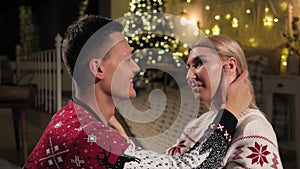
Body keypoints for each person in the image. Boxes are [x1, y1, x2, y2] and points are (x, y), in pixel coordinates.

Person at [23, 15, 252, 168]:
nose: (136, 67)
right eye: (127, 59)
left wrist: (121, 139)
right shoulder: (89, 138)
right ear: (98, 68)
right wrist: (230, 111)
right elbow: (196, 166)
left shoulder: (70, 117)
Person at [166, 35, 283, 168]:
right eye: (188, 67)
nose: (189, 76)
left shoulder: (253, 129)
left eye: (199, 63)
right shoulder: (196, 125)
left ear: (230, 66)